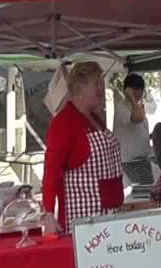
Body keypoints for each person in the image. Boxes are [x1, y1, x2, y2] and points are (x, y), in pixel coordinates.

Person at [42, 61, 123, 229]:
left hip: (111, 210)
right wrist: (48, 212)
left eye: (101, 83)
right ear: (79, 88)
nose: (101, 88)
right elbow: (51, 170)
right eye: (96, 84)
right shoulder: (63, 122)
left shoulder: (95, 119)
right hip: (85, 218)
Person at [113, 73, 152, 186]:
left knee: (146, 192)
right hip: (131, 161)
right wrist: (132, 99)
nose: (138, 93)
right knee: (144, 192)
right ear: (127, 90)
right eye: (134, 89)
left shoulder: (136, 107)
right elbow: (137, 118)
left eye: (140, 89)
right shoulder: (122, 108)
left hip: (141, 159)